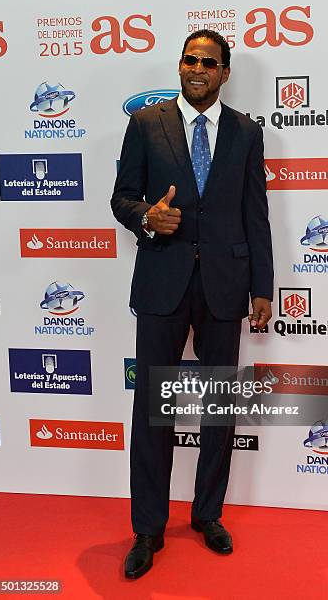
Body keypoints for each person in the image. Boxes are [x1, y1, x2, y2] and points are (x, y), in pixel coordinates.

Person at [111, 29, 273, 579]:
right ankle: (148, 529)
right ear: (179, 67)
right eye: (189, 59)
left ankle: (207, 514)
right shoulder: (146, 124)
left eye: (209, 61)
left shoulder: (248, 133)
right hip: (162, 282)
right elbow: (122, 198)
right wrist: (146, 219)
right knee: (152, 412)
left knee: (219, 410)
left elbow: (257, 215)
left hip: (226, 286)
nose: (197, 68)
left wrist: (263, 288)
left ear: (225, 72)